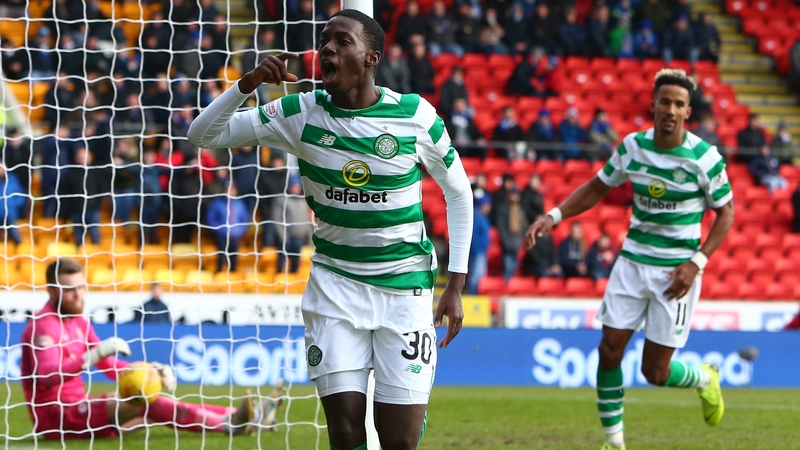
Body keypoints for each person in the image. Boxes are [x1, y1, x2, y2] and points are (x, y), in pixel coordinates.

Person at [187, 9, 472, 450]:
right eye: (324, 41)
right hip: (335, 287)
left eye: (342, 41)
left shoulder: (415, 115)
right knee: (344, 430)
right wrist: (248, 84)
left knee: (399, 441)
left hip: (405, 289)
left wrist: (455, 283)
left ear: (371, 57)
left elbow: (459, 193)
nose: (327, 49)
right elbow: (202, 135)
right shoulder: (300, 112)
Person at [524, 69, 734, 450]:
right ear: (653, 105)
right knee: (609, 349)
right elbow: (597, 187)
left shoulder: (704, 158)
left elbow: (727, 214)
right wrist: (553, 216)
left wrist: (697, 262)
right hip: (632, 264)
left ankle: (705, 378)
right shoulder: (632, 147)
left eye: (679, 104)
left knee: (655, 372)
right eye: (665, 101)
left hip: (677, 272)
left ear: (688, 112)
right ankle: (614, 443)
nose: (671, 110)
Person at [20, 257, 283, 440]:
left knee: (151, 398)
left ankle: (248, 416)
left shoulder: (78, 321)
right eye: (70, 289)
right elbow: (46, 376)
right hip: (57, 417)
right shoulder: (43, 326)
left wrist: (151, 371)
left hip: (78, 407)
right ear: (52, 292)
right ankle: (230, 425)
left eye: (81, 287)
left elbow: (110, 366)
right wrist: (94, 354)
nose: (79, 295)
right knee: (147, 402)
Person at [205, 182, 251, 272]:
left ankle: (233, 274)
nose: (230, 192)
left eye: (232, 190)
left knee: (233, 260)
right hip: (222, 237)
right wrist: (221, 229)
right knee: (221, 259)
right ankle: (219, 275)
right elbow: (210, 219)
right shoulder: (217, 203)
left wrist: (239, 231)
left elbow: (245, 219)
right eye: (228, 190)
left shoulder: (240, 204)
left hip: (235, 237)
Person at [271, 176, 314, 273]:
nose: (295, 189)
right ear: (289, 187)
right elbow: (277, 218)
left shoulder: (303, 203)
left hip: (299, 238)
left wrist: (310, 237)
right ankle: (278, 275)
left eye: (297, 187)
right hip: (286, 238)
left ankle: (293, 275)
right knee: (281, 261)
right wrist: (283, 236)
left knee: (296, 263)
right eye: (293, 186)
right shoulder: (282, 200)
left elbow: (306, 221)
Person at [467, 194, 492, 294]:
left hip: (482, 251)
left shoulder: (482, 217)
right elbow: (474, 236)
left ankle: (477, 293)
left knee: (480, 275)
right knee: (476, 275)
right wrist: (476, 250)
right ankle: (473, 294)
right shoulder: (476, 218)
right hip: (477, 252)